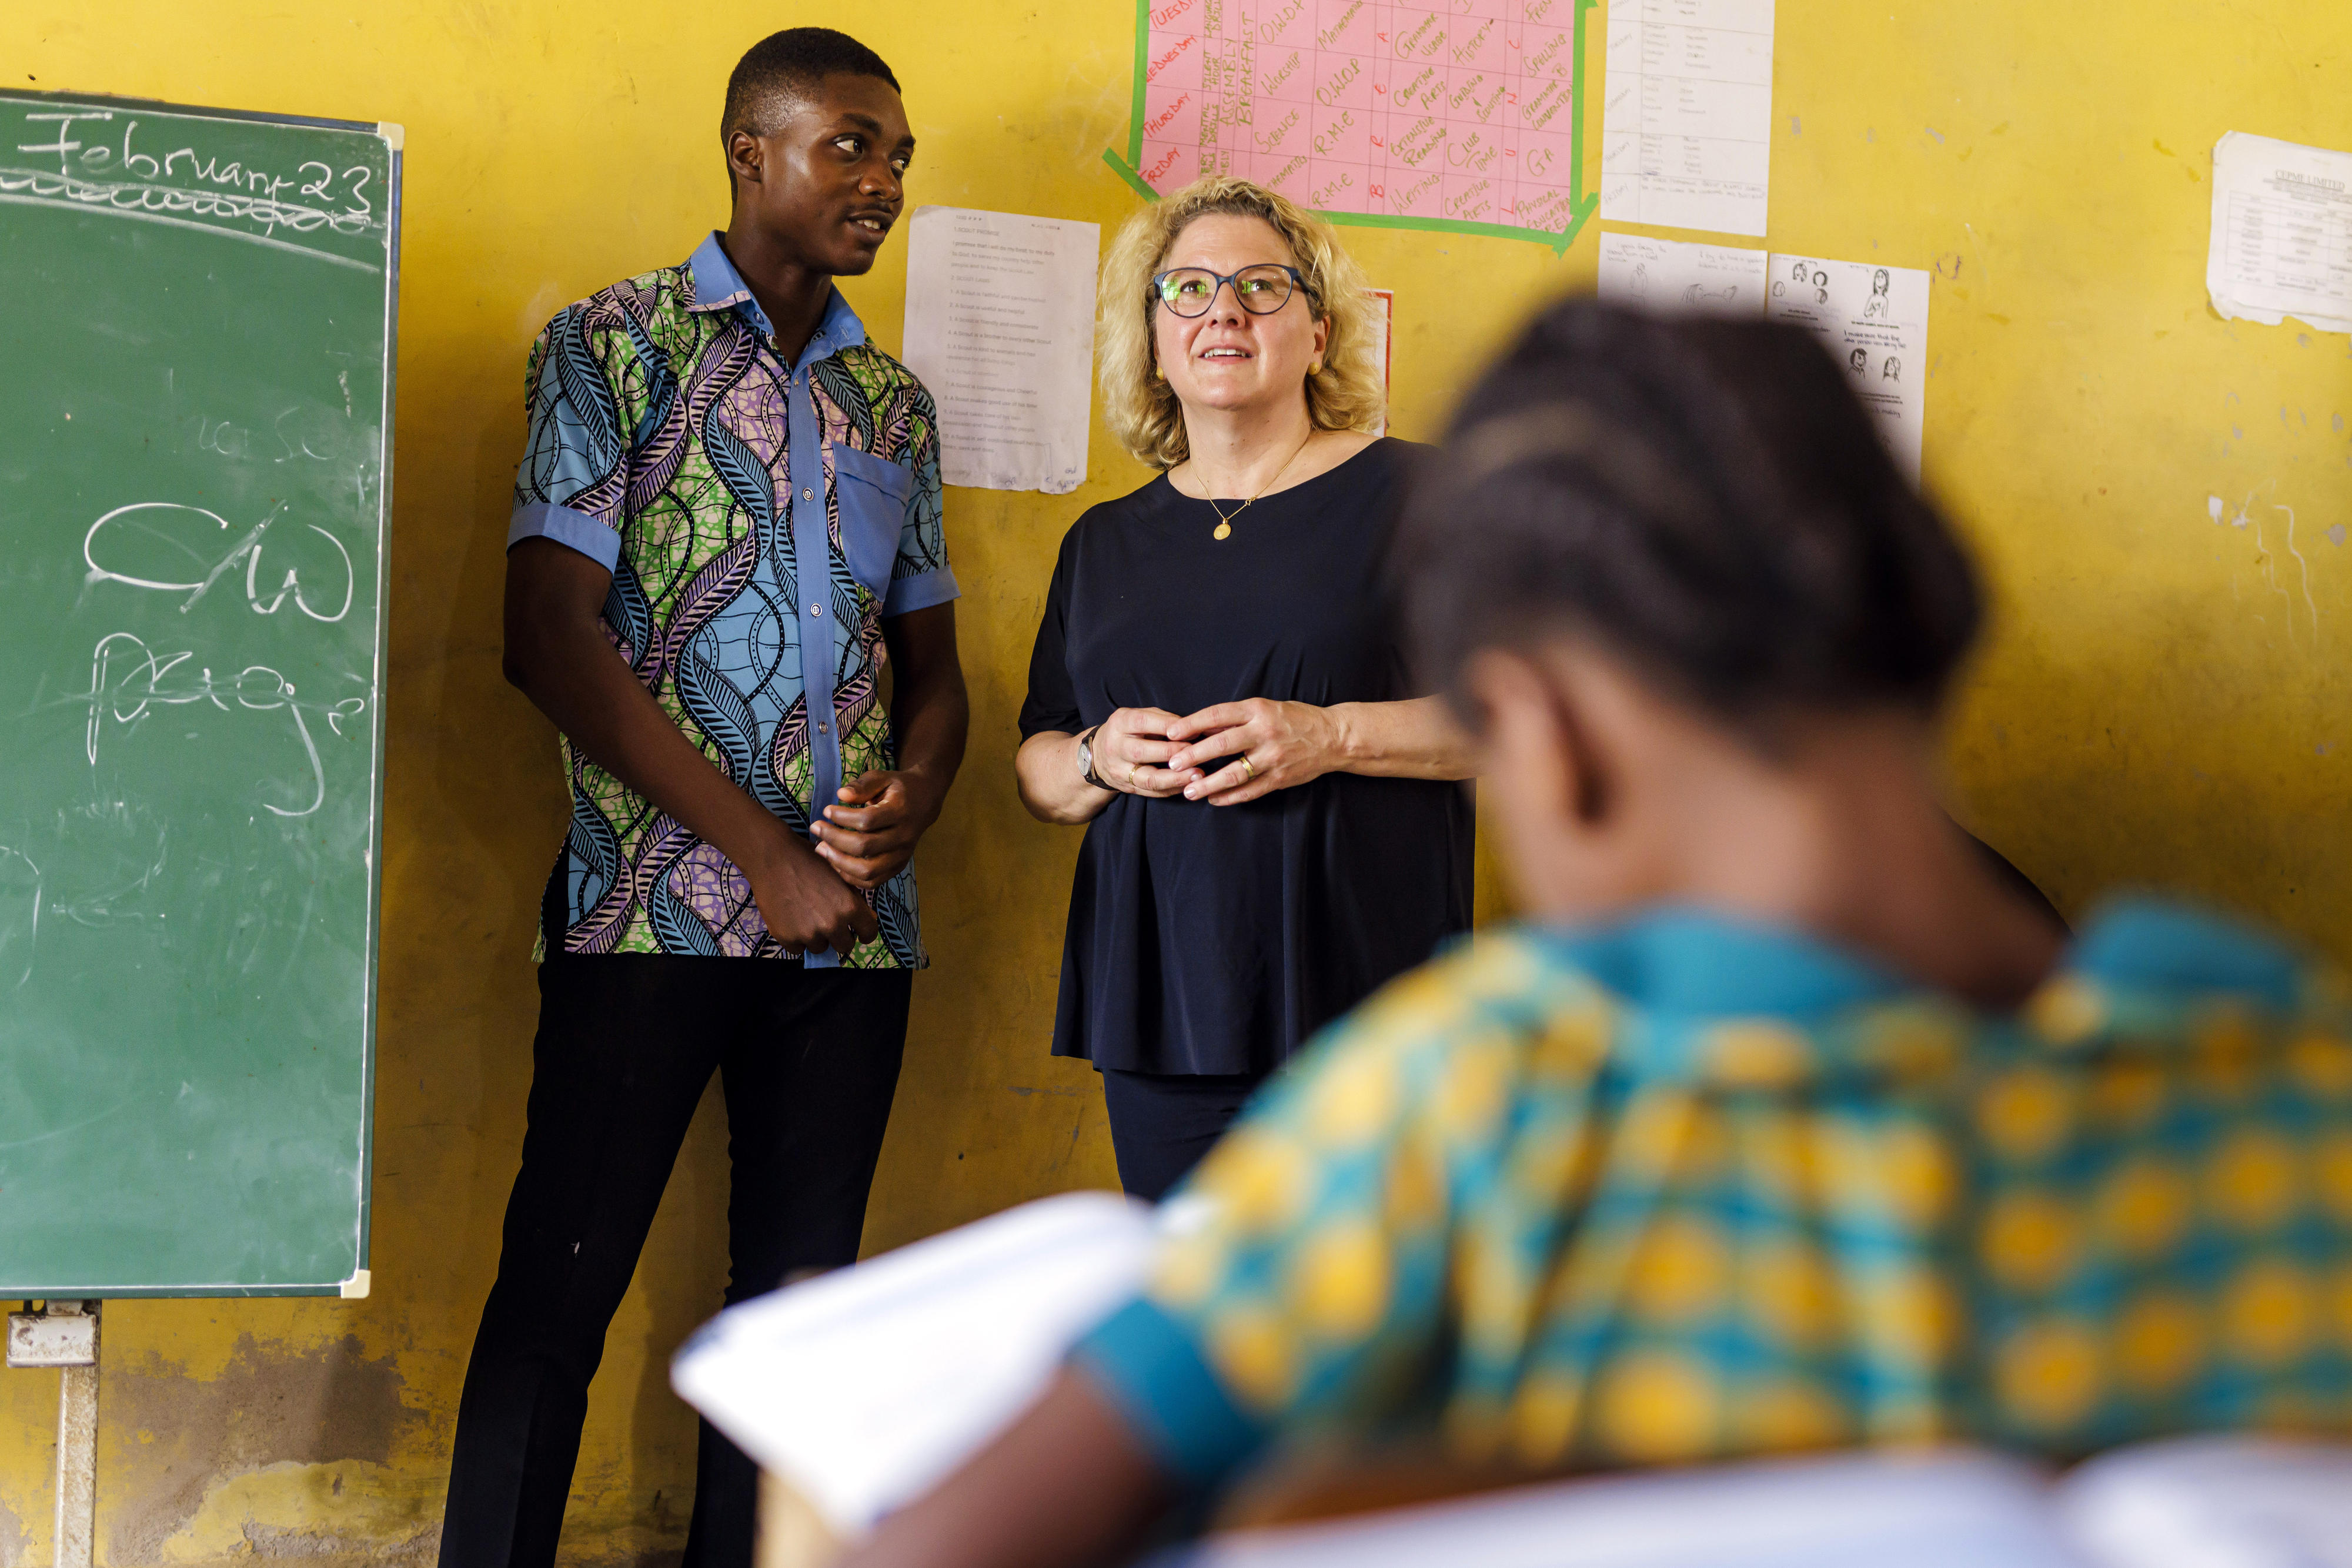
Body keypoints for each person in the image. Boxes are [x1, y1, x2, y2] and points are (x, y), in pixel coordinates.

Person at [842, 302, 2352, 1568]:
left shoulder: (1487, 1097)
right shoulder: (2290, 1077)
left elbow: (951, 1538)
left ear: (1539, 737)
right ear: (1933, 621)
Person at [440, 29, 967, 1568]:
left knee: (797, 1326)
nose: (881, 183)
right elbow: (548, 635)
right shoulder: (612, 347)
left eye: (897, 159)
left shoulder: (893, 402)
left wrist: (915, 798)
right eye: (850, 146)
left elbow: (933, 662)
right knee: (560, 1287)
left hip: (855, 939)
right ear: (752, 150)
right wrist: (757, 851)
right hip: (646, 909)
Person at [1015, 177, 1478, 1202]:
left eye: (1262, 287)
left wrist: (1332, 735)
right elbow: (1039, 765)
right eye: (1186, 289)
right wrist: (1096, 759)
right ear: (1153, 337)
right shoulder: (1102, 544)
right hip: (1162, 1010)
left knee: (1365, 1345)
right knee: (1199, 1330)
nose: (1223, 310)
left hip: (1372, 1006)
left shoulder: (1422, 496)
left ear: (1318, 330)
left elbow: (1523, 724)